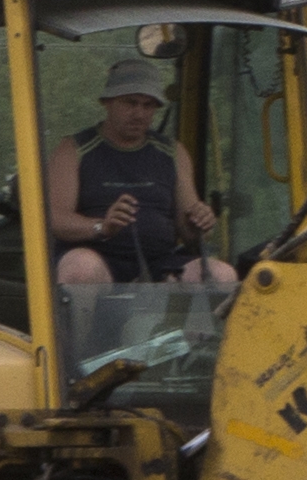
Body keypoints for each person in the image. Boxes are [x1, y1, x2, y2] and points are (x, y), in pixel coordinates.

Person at [48, 53, 234, 299]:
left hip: (160, 263)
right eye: (130, 103)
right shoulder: (73, 149)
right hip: (97, 259)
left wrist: (201, 220)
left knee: (222, 276)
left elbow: (190, 232)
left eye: (148, 106)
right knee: (80, 271)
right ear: (108, 102)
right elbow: (55, 219)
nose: (139, 113)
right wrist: (102, 226)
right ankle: (73, 338)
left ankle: (200, 339)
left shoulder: (172, 152)